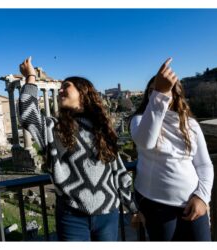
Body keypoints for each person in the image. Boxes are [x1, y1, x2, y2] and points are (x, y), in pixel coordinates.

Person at [18, 56, 137, 241]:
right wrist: (31, 78)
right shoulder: (54, 128)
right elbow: (28, 116)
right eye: (60, 89)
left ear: (83, 93)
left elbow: (118, 171)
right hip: (72, 217)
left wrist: (133, 208)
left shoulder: (102, 129)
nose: (60, 90)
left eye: (66, 86)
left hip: (108, 214)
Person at [130, 58, 214, 241]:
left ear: (175, 94)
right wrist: (160, 93)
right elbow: (146, 142)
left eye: (163, 90)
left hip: (192, 203)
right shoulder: (139, 120)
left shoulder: (191, 124)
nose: (156, 96)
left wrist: (202, 197)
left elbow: (204, 165)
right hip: (157, 206)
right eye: (152, 92)